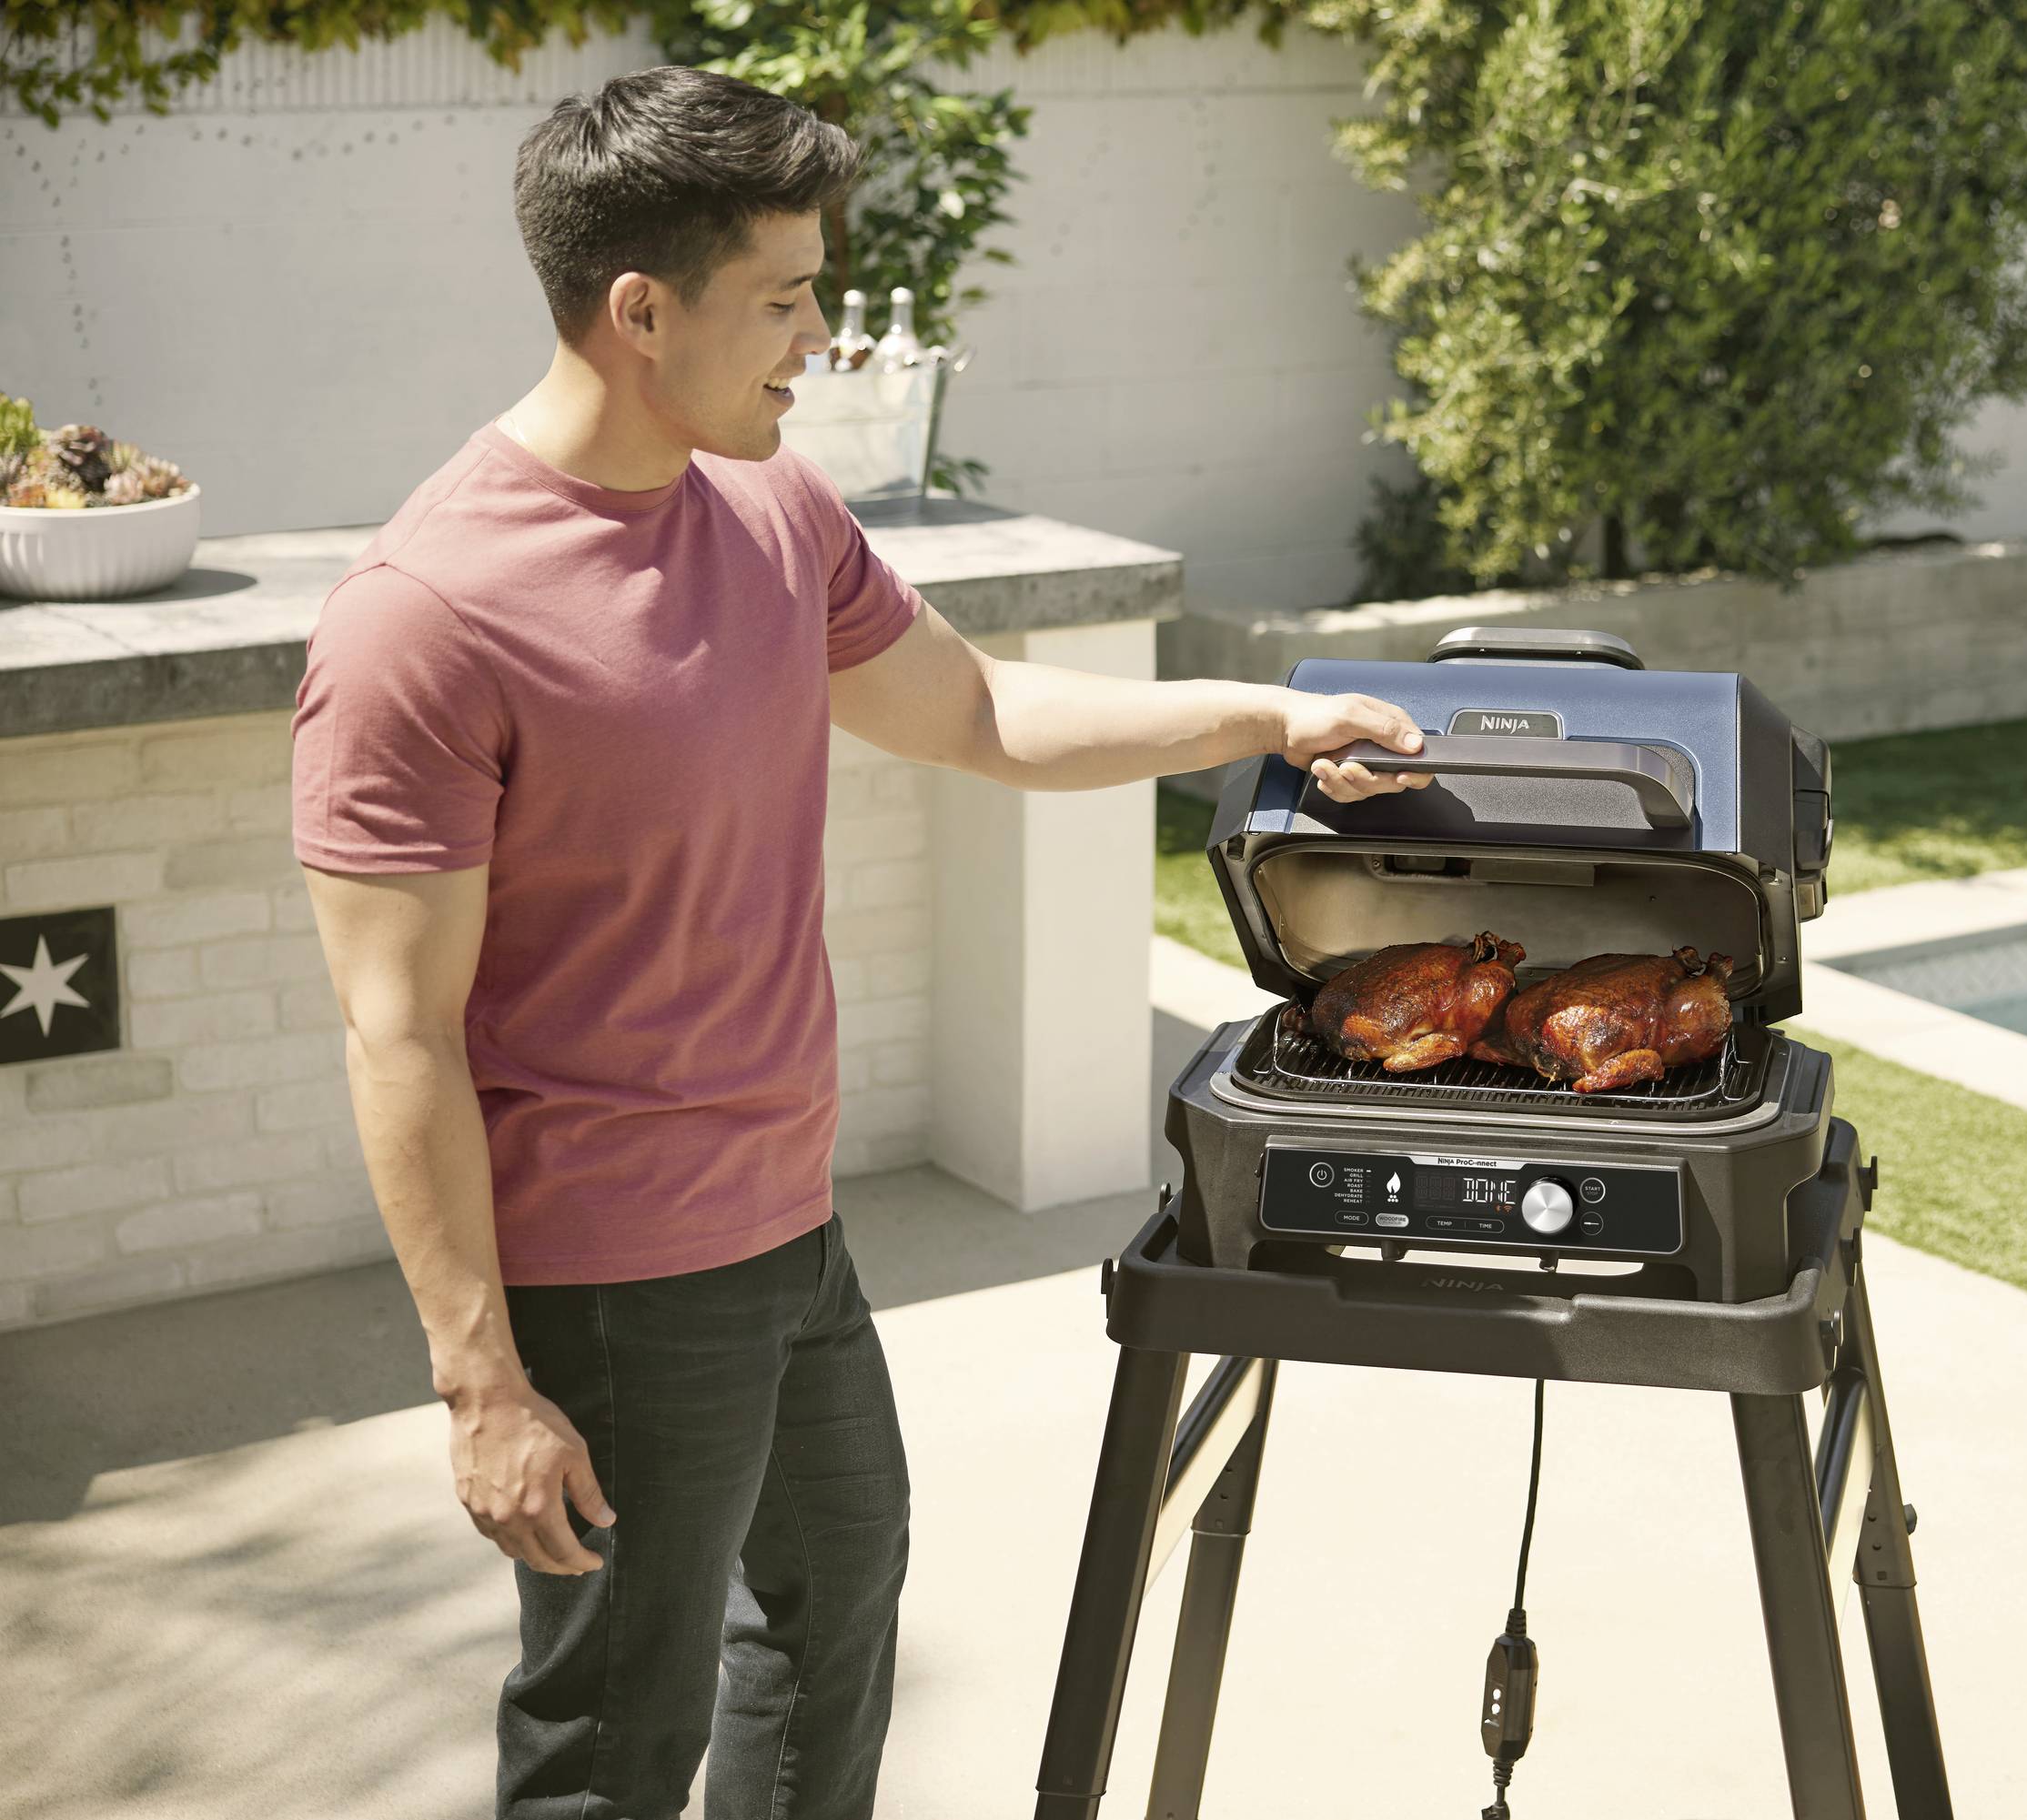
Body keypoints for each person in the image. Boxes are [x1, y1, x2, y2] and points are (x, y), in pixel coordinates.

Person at [287, 63, 1429, 1820]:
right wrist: (481, 1382)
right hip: (611, 1285)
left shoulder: (768, 505)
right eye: (789, 296)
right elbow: (398, 1032)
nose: (822, 338)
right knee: (612, 1741)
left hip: (784, 1231)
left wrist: (1266, 717)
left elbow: (974, 712)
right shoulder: (424, 622)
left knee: (828, 1623)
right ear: (639, 310)